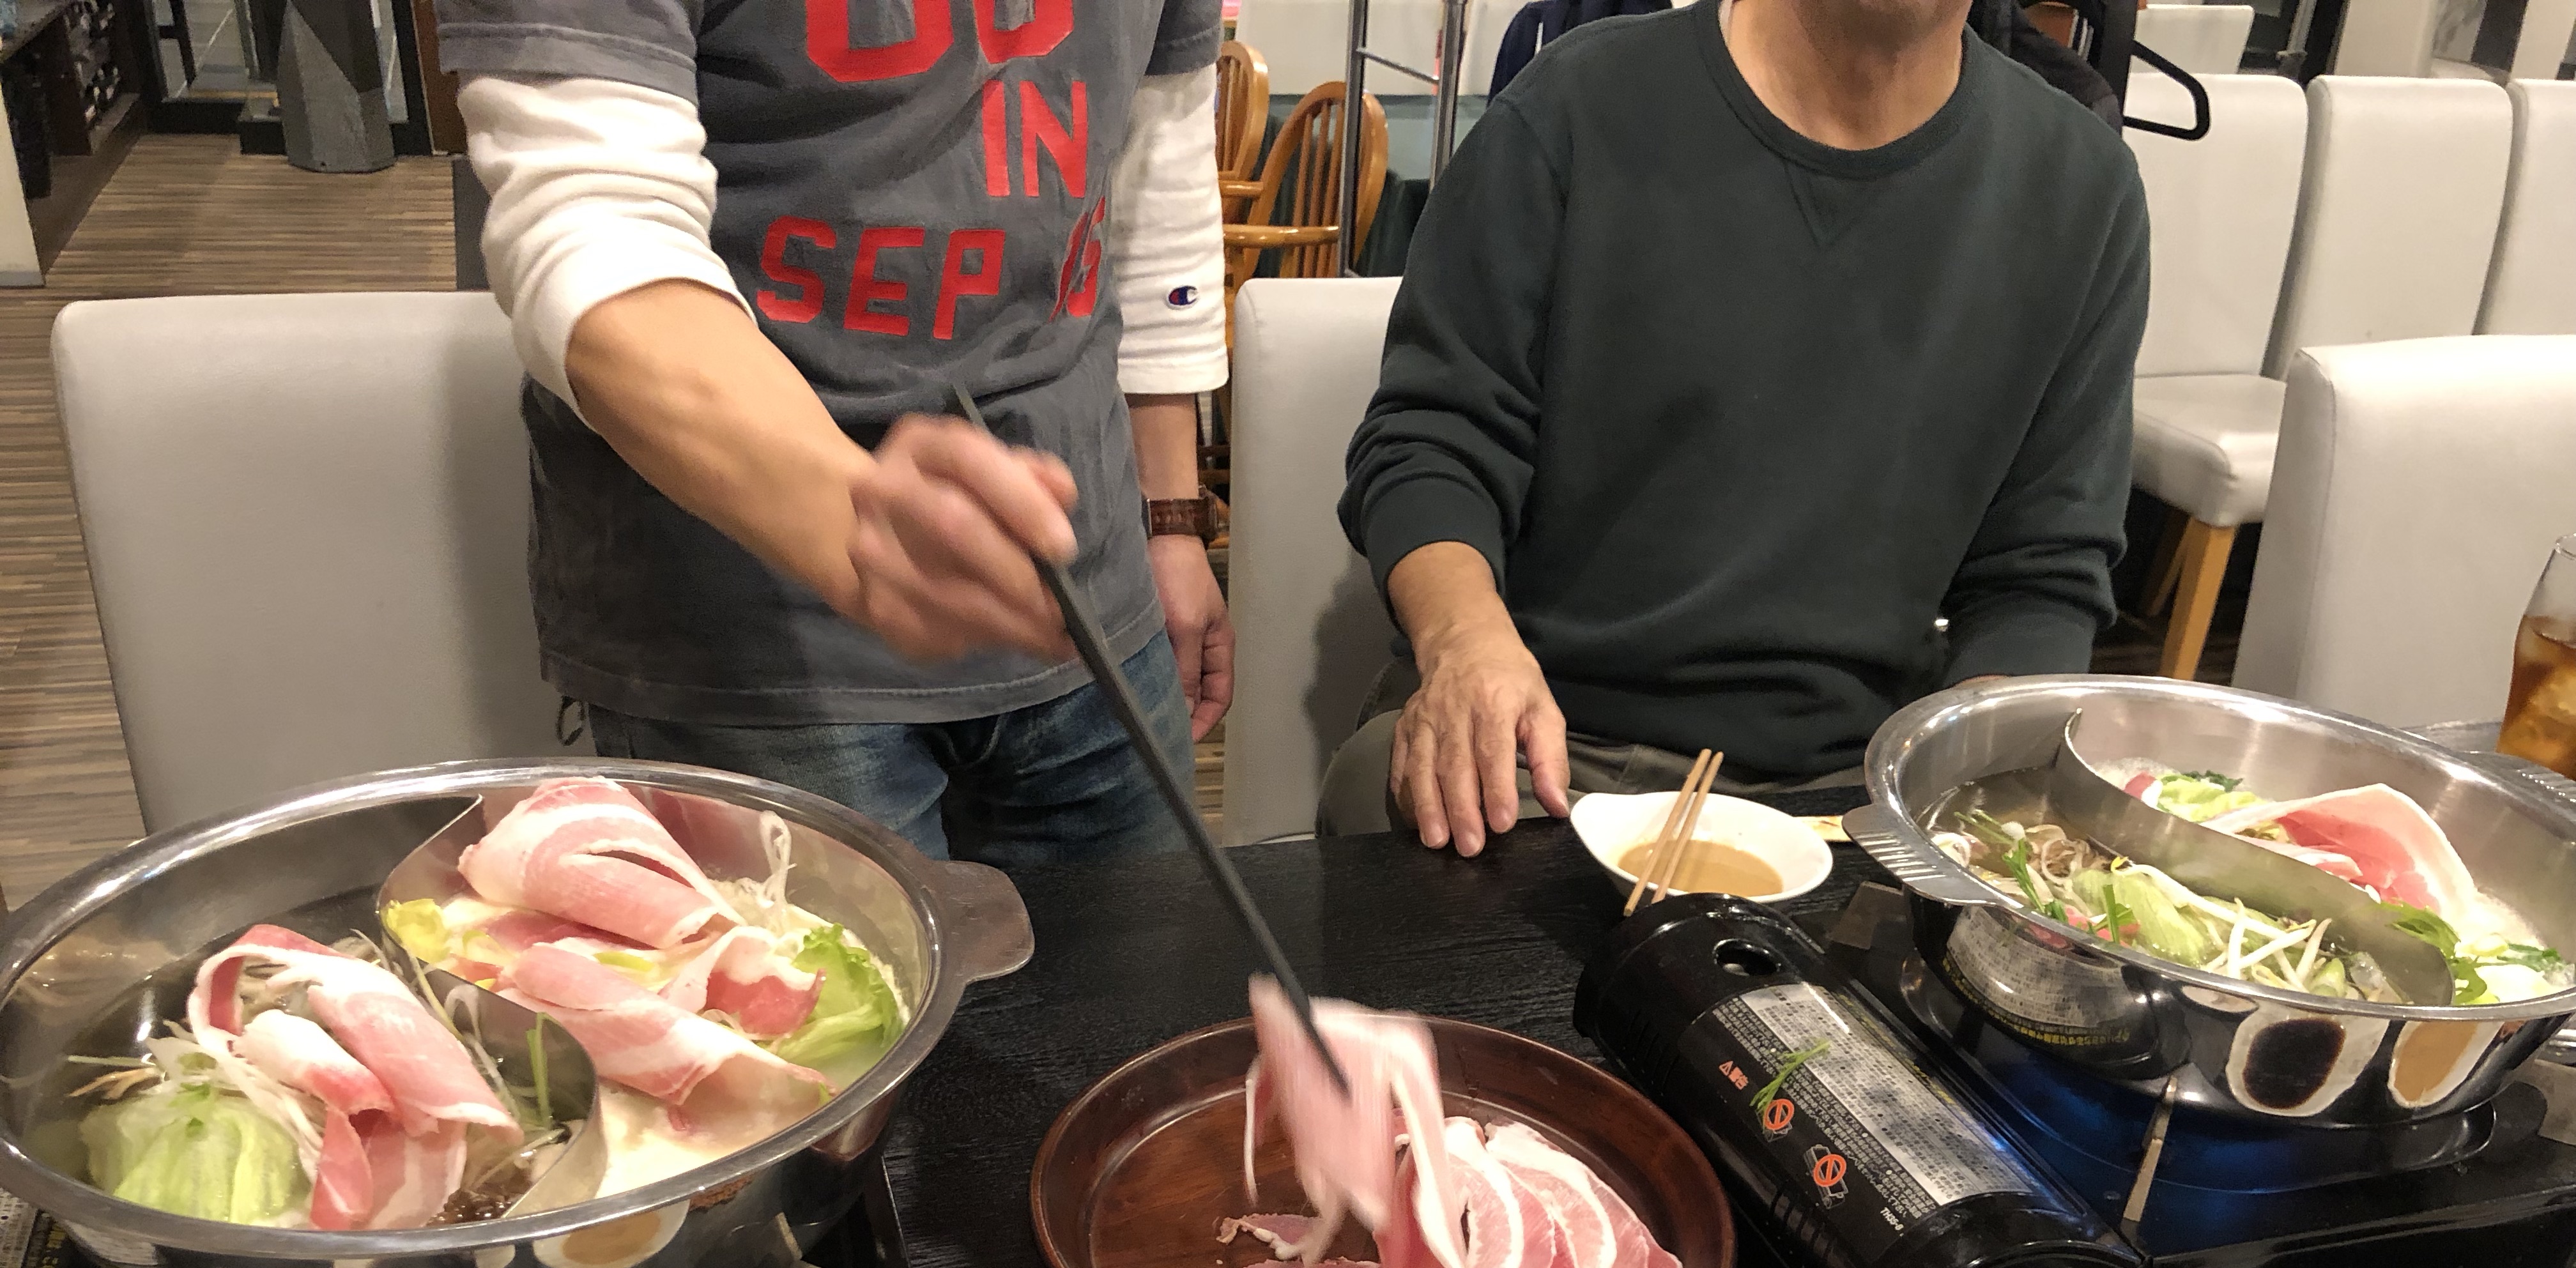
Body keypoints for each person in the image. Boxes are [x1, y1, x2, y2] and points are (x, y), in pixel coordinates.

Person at [1321, 0, 2149, 854]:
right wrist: (1465, 643)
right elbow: (1432, 437)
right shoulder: (1578, 106)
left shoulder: (2083, 188)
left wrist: (1977, 806)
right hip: (1550, 750)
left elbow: (2042, 573)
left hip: (1852, 787)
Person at [434, 0, 1234, 866]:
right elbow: (589, 219)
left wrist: (1174, 519)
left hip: (1097, 590)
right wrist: (846, 514)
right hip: (751, 632)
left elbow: (1160, 178)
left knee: (1151, 994)